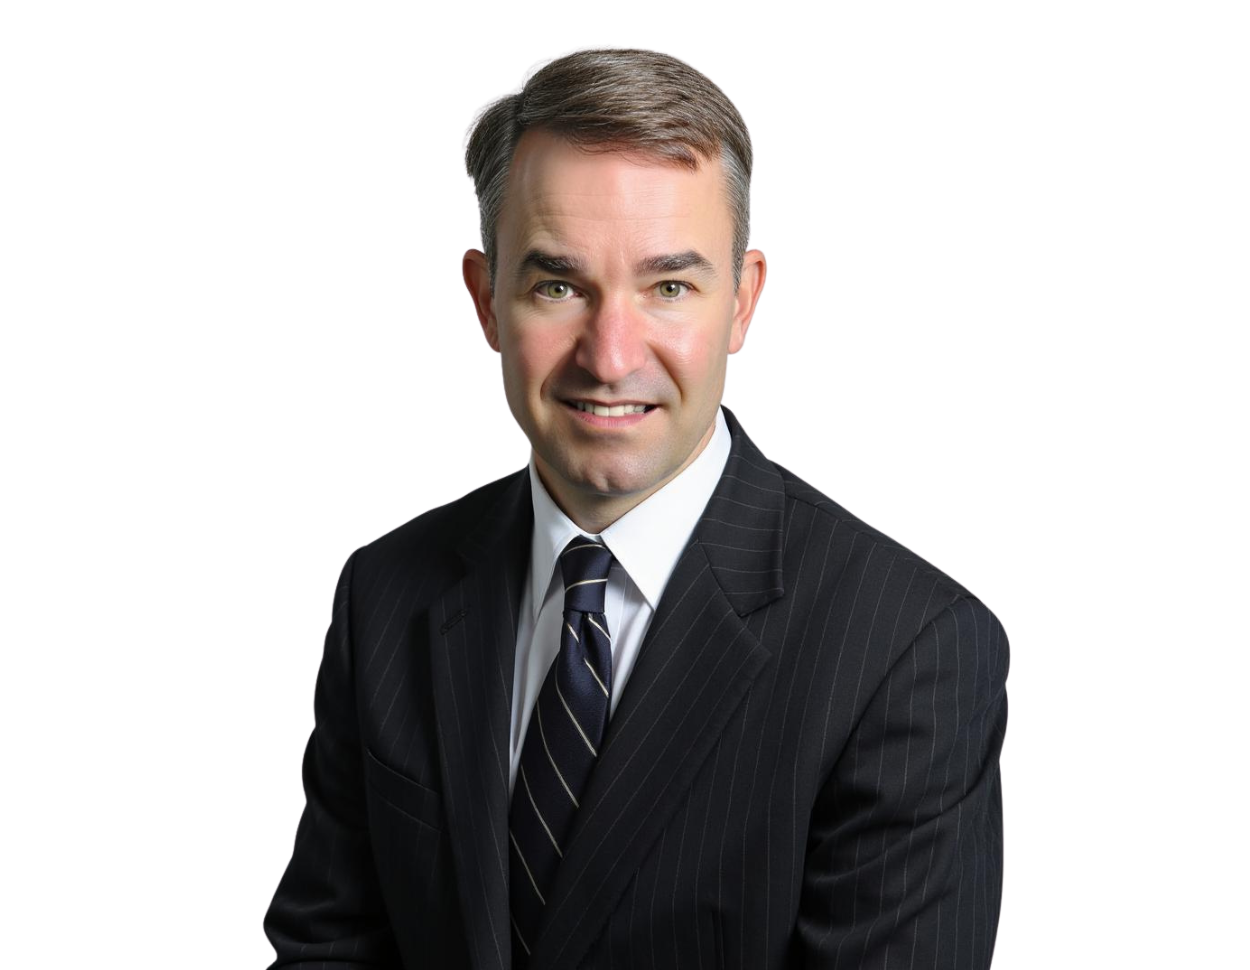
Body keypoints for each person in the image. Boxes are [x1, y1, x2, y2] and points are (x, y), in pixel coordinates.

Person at [264, 45, 1008, 969]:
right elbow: (327, 947)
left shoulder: (911, 648)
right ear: (485, 302)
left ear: (743, 302)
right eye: (558, 285)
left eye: (669, 287)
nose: (610, 356)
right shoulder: (382, 589)